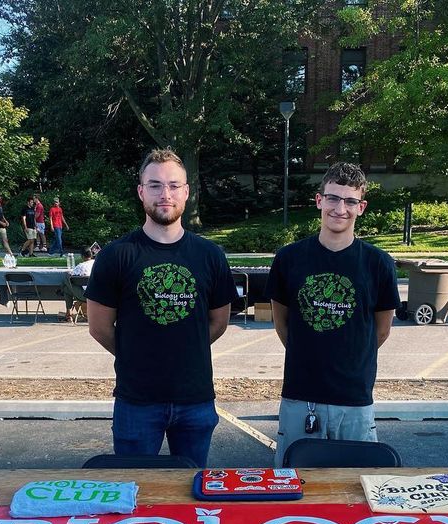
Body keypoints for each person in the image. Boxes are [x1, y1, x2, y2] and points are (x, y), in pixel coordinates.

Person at [85, 148, 236, 466]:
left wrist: (184, 348)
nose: (164, 194)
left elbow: (218, 322)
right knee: (133, 492)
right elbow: (99, 327)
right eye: (154, 185)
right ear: (141, 192)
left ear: (186, 192)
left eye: (173, 185)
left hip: (195, 399)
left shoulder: (210, 255)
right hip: (137, 400)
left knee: (191, 492)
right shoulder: (116, 256)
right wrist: (136, 353)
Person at [265, 161, 400, 465]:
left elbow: (380, 330)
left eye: (350, 201)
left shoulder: (378, 264)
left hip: (354, 399)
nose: (341, 208)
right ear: (319, 201)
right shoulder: (289, 258)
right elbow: (281, 322)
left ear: (361, 207)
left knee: (356, 488)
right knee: (293, 483)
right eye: (333, 198)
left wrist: (347, 357)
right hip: (301, 397)